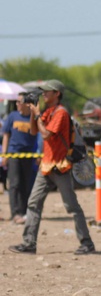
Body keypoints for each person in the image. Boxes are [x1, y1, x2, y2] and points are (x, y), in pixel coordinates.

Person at [9, 80, 96, 255]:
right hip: (46, 165)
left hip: (60, 166)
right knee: (33, 203)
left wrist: (38, 114)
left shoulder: (61, 113)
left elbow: (47, 135)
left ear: (57, 93)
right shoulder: (47, 111)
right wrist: (34, 113)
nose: (43, 94)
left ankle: (87, 243)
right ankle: (29, 243)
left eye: (47, 91)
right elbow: (34, 132)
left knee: (71, 206)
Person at [1, 92, 41, 224]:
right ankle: (15, 213)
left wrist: (38, 153)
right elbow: (6, 136)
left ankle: (24, 212)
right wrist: (5, 154)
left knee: (26, 183)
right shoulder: (13, 116)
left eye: (20, 102)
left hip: (29, 155)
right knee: (15, 183)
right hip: (14, 154)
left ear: (27, 104)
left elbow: (39, 136)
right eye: (17, 102)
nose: (17, 104)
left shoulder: (32, 117)